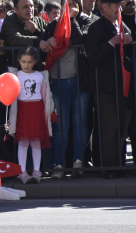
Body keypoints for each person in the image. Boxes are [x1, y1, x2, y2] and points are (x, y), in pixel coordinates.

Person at [42, 0, 92, 178]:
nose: (71, 7)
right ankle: (58, 165)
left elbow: (79, 39)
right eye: (67, 4)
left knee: (80, 123)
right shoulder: (53, 24)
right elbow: (44, 46)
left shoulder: (85, 21)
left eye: (74, 4)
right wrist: (45, 40)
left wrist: (72, 19)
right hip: (58, 81)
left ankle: (78, 161)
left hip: (80, 81)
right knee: (61, 125)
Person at [85, 0, 132, 179]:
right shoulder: (96, 28)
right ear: (104, 7)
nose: (119, 8)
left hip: (121, 83)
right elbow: (93, 58)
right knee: (109, 127)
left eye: (119, 5)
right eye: (115, 5)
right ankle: (110, 167)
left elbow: (129, 37)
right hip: (104, 86)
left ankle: (119, 164)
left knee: (120, 125)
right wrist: (112, 43)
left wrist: (128, 39)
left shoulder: (120, 22)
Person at [8, 47, 55, 184]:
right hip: (22, 110)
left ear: (35, 62)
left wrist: (51, 111)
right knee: (23, 142)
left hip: (37, 110)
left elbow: (47, 96)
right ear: (19, 61)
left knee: (36, 142)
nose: (26, 65)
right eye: (23, 61)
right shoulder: (15, 76)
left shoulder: (40, 76)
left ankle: (36, 171)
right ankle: (22, 172)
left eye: (29, 62)